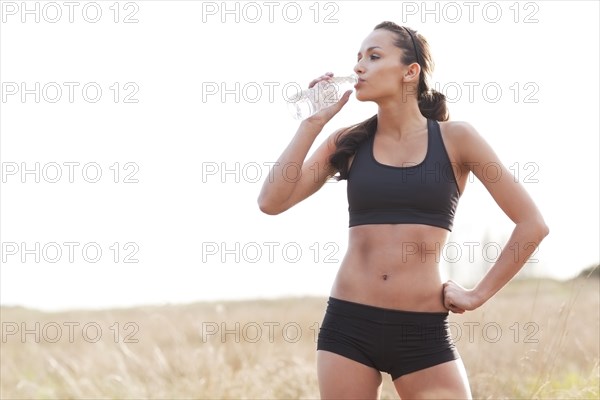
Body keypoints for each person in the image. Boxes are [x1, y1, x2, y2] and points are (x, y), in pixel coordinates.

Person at [257, 21, 549, 400]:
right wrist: (312, 123)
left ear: (411, 72)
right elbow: (271, 202)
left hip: (422, 333)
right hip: (348, 325)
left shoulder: (457, 138)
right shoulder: (346, 142)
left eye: (374, 57)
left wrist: (478, 294)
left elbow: (532, 225)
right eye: (358, 58)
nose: (359, 66)